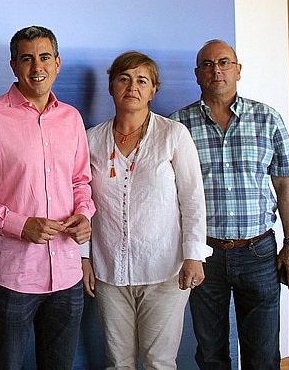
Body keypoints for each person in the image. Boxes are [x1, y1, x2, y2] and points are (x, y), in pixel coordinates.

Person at [0, 25, 95, 370]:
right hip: (11, 276)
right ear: (14, 65)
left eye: (45, 57)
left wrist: (84, 214)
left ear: (58, 63)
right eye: (27, 59)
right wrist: (21, 226)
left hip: (67, 274)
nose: (37, 67)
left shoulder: (72, 118)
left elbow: (81, 181)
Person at [170, 39, 289, 370]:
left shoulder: (268, 119)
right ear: (197, 75)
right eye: (207, 65)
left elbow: (286, 186)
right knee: (211, 352)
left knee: (262, 353)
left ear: (238, 70)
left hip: (258, 253)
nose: (216, 70)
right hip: (205, 255)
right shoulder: (177, 126)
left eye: (224, 63)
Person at [82, 51, 211, 370]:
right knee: (118, 361)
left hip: (165, 271)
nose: (132, 87)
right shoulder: (90, 140)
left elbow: (193, 198)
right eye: (124, 79)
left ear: (154, 90)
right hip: (109, 270)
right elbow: (80, 202)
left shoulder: (174, 135)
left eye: (142, 80)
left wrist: (194, 255)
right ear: (111, 86)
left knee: (159, 361)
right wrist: (84, 257)